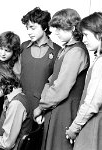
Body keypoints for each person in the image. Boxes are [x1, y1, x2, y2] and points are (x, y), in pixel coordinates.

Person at [33, 8, 90, 150]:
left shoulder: (76, 51)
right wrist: (44, 105)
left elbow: (60, 88)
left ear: (73, 28)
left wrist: (41, 107)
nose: (56, 32)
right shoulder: (67, 49)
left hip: (65, 111)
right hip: (55, 109)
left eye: (60, 28)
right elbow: (51, 79)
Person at [65, 12, 102, 150]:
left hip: (95, 127)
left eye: (86, 35)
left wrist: (74, 128)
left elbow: (91, 103)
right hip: (101, 127)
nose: (83, 40)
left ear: (100, 34)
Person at [20, 7, 61, 111]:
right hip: (21, 103)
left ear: (45, 27)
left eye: (32, 28)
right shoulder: (23, 47)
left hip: (43, 107)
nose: (29, 32)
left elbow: (56, 84)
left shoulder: (58, 51)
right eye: (27, 28)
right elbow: (14, 75)